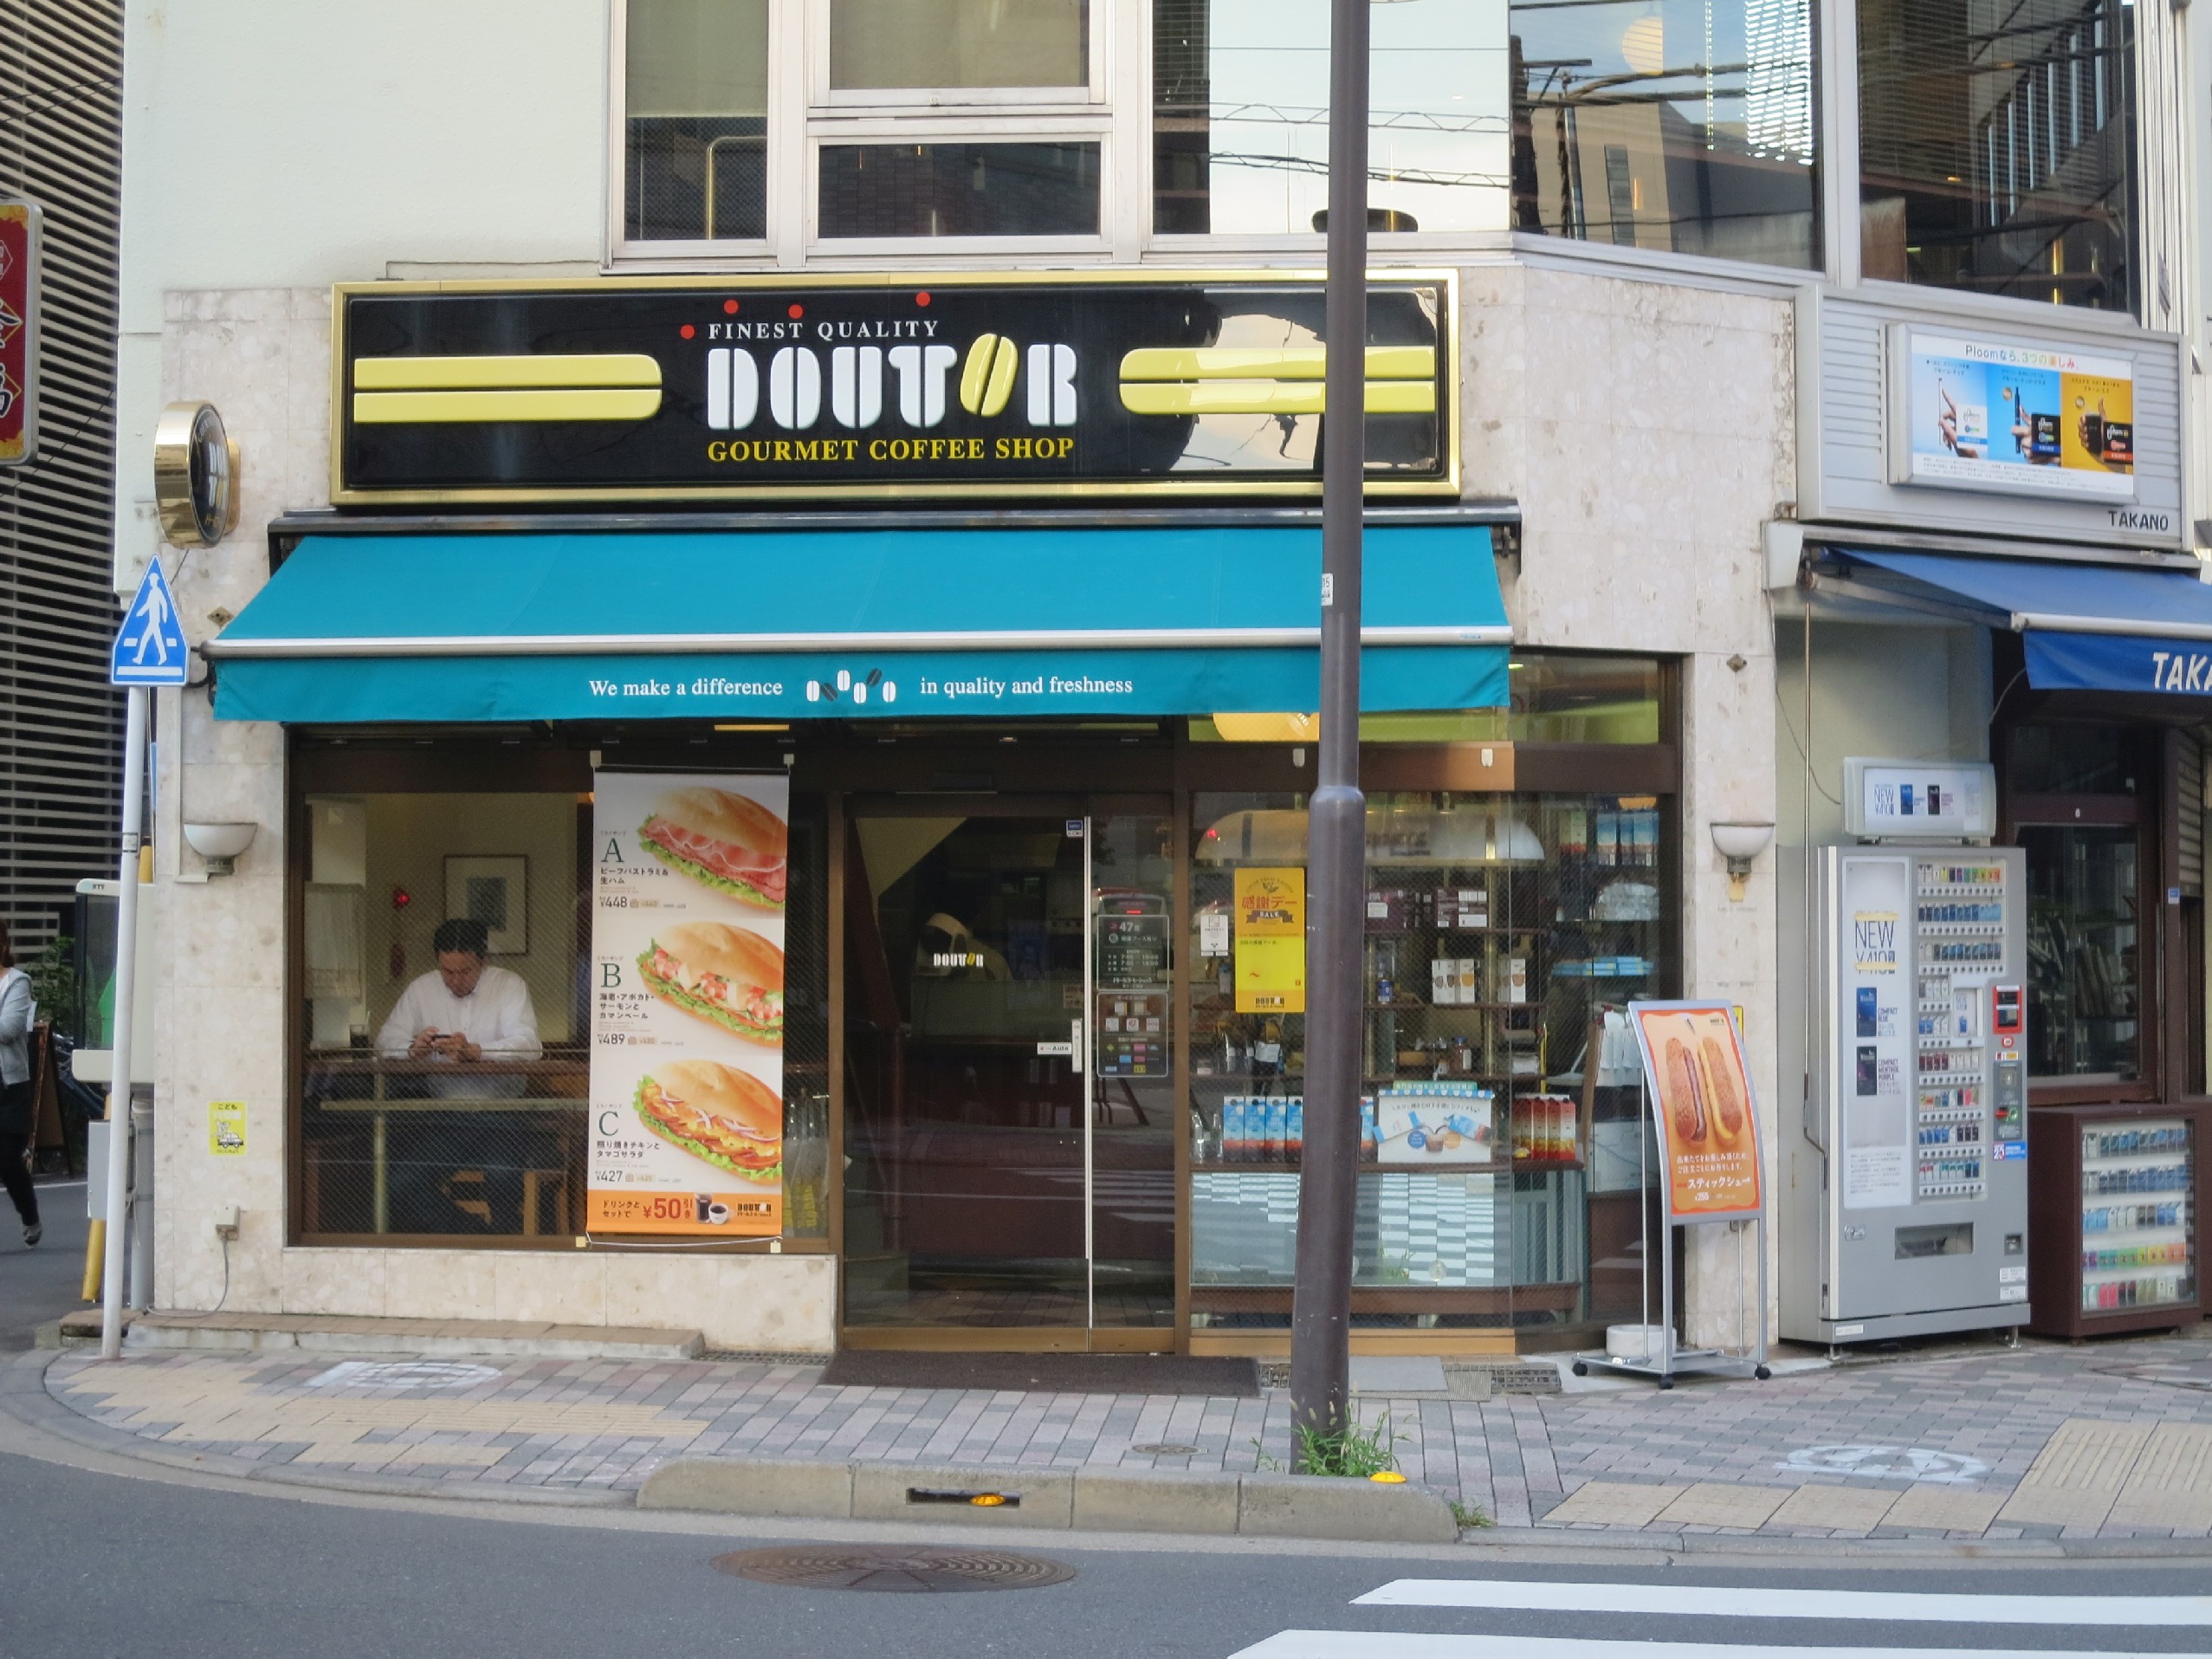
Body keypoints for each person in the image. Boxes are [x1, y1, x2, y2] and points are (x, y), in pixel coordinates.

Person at [375, 918, 541, 1098]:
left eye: (465, 972)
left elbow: (530, 1045)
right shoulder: (421, 988)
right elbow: (384, 1041)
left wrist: (477, 1052)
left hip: (503, 1105)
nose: (455, 980)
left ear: (484, 960)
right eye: (447, 971)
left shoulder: (509, 985)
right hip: (437, 1105)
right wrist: (412, 1049)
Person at [0, 923, 41, 1245]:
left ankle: (29, 1214)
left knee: (6, 1158)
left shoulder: (17, 982)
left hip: (9, 1086)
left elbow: (9, 1028)